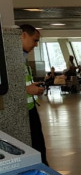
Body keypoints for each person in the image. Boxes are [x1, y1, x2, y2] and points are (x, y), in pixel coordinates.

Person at [19, 24, 47, 164]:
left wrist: (31, 88)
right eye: (34, 40)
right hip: (20, 113)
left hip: (30, 110)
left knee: (39, 146)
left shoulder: (21, 59)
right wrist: (26, 90)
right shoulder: (8, 60)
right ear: (23, 35)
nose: (36, 45)